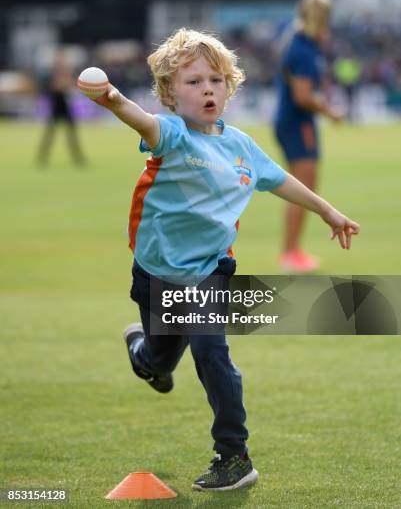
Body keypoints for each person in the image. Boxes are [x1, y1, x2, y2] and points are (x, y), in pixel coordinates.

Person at [88, 28, 359, 492]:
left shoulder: (241, 147)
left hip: (210, 272)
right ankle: (144, 354)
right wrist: (111, 97)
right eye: (193, 82)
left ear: (229, 87)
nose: (207, 89)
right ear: (171, 93)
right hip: (157, 277)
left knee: (212, 350)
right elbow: (141, 121)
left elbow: (279, 181)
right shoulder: (172, 133)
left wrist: (328, 211)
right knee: (159, 359)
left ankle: (233, 455)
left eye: (216, 79)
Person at [274, 0, 344, 272]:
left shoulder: (297, 39)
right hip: (298, 121)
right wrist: (330, 112)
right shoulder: (303, 48)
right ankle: (290, 253)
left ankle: (292, 251)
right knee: (303, 190)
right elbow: (302, 96)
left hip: (291, 121)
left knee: (303, 188)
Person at [37, 52, 86, 166]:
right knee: (50, 134)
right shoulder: (51, 74)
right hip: (57, 105)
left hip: (64, 105)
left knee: (71, 134)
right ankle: (43, 156)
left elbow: (68, 87)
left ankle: (77, 157)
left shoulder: (66, 73)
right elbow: (56, 88)